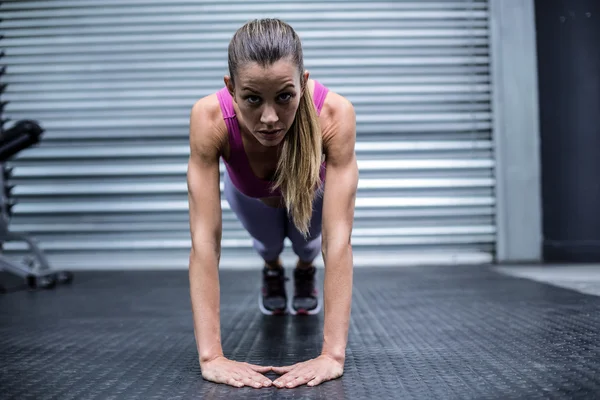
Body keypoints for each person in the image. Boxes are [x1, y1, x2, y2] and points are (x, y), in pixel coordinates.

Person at [186, 18, 358, 389]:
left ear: (303, 83)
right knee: (267, 244)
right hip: (250, 196)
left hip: (311, 193)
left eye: (284, 96)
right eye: (252, 99)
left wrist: (332, 355)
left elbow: (338, 239)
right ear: (230, 88)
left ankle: (303, 269)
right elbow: (204, 241)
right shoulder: (209, 118)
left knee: (310, 245)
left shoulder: (334, 115)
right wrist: (211, 357)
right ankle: (272, 268)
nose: (269, 118)